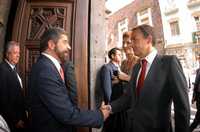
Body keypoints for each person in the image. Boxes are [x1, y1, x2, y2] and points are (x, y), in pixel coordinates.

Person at [108, 24, 190, 132]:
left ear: (148, 40)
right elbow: (129, 97)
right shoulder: (137, 67)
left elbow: (182, 107)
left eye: (134, 40)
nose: (130, 45)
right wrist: (110, 108)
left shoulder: (169, 63)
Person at [28, 27, 110, 132]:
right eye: (65, 42)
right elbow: (67, 114)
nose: (69, 47)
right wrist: (100, 115)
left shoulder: (47, 66)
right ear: (51, 45)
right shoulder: (45, 71)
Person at [0, 41, 27, 132]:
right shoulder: (2, 70)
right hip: (12, 122)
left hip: (21, 117)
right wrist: (15, 119)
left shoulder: (14, 69)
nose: (18, 55)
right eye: (15, 53)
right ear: (7, 54)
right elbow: (3, 99)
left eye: (19, 53)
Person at [100, 47, 128, 132]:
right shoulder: (107, 68)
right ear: (112, 56)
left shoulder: (118, 67)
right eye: (119, 55)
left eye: (121, 55)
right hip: (113, 102)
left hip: (120, 102)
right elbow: (107, 89)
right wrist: (109, 104)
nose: (121, 56)